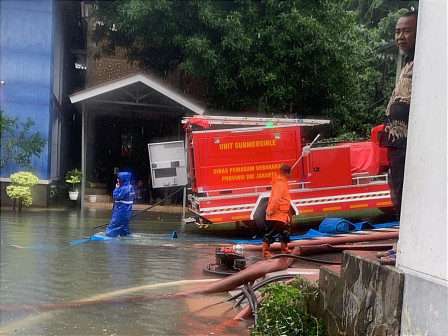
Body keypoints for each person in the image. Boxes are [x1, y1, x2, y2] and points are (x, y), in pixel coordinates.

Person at [377, 11, 417, 265]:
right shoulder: (408, 63)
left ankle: (406, 248)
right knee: (399, 199)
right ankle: (401, 244)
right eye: (397, 31)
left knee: (409, 198)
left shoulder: (425, 62)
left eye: (407, 31)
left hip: (408, 145)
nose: (400, 37)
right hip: (396, 144)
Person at [262, 164, 293, 258]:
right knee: (270, 233)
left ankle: (285, 249)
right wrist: (270, 211)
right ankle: (266, 252)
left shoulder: (282, 183)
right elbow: (276, 199)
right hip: (276, 214)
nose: (291, 175)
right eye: (290, 173)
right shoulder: (280, 184)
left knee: (285, 231)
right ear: (286, 173)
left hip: (282, 214)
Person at [106, 172, 135, 237]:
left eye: (119, 178)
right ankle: (127, 237)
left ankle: (109, 236)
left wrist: (117, 188)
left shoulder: (123, 188)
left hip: (121, 210)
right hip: (126, 211)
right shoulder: (130, 187)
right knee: (124, 228)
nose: (117, 180)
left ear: (122, 179)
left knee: (115, 225)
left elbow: (116, 196)